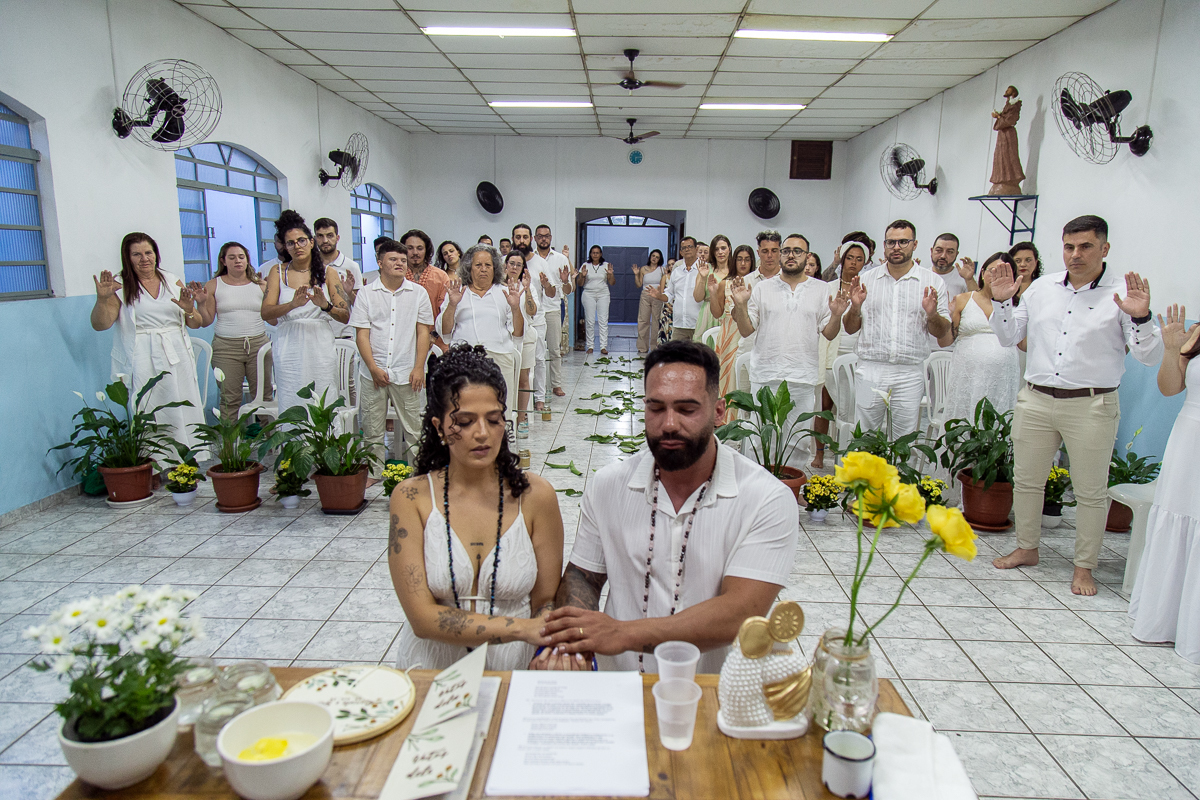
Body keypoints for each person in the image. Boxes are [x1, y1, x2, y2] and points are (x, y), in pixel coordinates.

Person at [531, 341, 799, 673]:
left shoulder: (765, 498)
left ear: (719, 412)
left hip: (717, 693)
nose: (669, 423)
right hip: (622, 687)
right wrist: (574, 641)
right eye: (656, 408)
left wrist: (622, 633)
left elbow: (739, 613)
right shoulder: (608, 484)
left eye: (686, 409)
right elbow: (583, 575)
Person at [990, 214, 1162, 595]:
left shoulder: (1122, 295)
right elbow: (1008, 337)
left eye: (1085, 246)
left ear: (1104, 248)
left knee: (1089, 491)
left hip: (1091, 404)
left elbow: (1148, 357)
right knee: (1028, 481)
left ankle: (1084, 566)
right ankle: (1027, 547)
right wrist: (1003, 302)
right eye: (1069, 246)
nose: (1075, 254)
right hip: (1036, 398)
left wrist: (1143, 317)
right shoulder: (1041, 289)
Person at [388, 344, 564, 671]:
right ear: (440, 428)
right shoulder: (412, 498)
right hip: (433, 669)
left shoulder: (537, 496)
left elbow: (545, 600)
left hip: (514, 668)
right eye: (465, 421)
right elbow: (422, 617)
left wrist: (547, 646)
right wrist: (523, 629)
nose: (482, 434)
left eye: (493, 419)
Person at [731, 234, 848, 466]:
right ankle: (761, 491)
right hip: (766, 375)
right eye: (786, 251)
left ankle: (792, 490)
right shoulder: (762, 288)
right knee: (761, 440)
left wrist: (836, 315)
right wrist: (741, 304)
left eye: (797, 251)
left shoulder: (821, 290)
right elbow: (746, 330)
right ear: (781, 255)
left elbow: (829, 333)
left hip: (802, 377)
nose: (791, 255)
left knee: (797, 441)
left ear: (807, 257)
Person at [91, 232, 206, 453]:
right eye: (137, 254)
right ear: (128, 257)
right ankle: (153, 462)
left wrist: (190, 310)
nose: (144, 258)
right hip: (142, 355)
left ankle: (184, 457)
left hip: (176, 354)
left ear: (156, 254)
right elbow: (101, 324)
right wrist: (102, 299)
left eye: (148, 252)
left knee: (181, 403)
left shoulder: (171, 280)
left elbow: (196, 323)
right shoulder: (121, 285)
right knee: (148, 406)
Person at [1130, 304, 1200, 662]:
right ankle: (1167, 619)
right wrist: (1173, 349)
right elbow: (1170, 387)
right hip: (1189, 438)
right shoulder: (1198, 332)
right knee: (1179, 516)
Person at [844, 220, 951, 438]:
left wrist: (931, 313)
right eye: (891, 242)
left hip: (909, 372)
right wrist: (855, 306)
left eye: (903, 242)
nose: (896, 247)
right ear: (884, 245)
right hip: (871, 369)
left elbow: (941, 332)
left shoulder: (932, 282)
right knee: (864, 437)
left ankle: (900, 474)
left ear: (914, 244)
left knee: (904, 440)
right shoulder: (867, 280)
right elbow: (849, 328)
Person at [351, 240, 433, 479]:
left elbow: (423, 333)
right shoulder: (366, 294)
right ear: (380, 263)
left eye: (403, 260)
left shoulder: (418, 293)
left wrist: (419, 367)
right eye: (393, 259)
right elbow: (361, 335)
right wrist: (373, 368)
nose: (400, 264)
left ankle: (417, 475)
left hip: (407, 371)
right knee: (373, 428)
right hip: (372, 372)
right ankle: (374, 474)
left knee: (414, 429)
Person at [261, 210, 349, 414]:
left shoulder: (329, 273)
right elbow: (265, 313)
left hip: (319, 343)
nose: (297, 246)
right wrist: (292, 304)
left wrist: (324, 305)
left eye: (301, 241)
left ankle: (327, 443)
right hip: (288, 343)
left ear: (311, 242)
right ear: (285, 246)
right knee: (292, 397)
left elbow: (345, 316)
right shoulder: (277, 272)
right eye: (291, 243)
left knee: (323, 396)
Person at [440, 243, 524, 432]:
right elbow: (445, 334)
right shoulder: (457, 292)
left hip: (499, 357)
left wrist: (516, 307)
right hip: (463, 361)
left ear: (495, 268)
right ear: (469, 267)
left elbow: (518, 334)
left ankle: (500, 454)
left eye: (488, 265)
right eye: (478, 265)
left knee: (500, 411)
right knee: (464, 412)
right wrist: (452, 305)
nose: (483, 269)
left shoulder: (504, 292)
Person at [188, 241, 270, 421]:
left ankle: (271, 445)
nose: (237, 261)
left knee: (264, 397)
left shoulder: (260, 285)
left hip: (258, 345)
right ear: (223, 261)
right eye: (232, 257)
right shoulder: (213, 285)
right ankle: (230, 447)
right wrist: (201, 303)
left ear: (247, 260)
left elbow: (272, 317)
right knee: (230, 399)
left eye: (241, 257)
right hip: (226, 348)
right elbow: (206, 320)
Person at [942, 252, 1021, 424]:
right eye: (993, 271)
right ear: (983, 272)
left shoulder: (1017, 305)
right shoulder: (963, 299)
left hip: (1002, 374)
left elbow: (1023, 343)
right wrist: (940, 316)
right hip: (968, 372)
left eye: (1004, 272)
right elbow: (947, 340)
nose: (997, 276)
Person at [812, 239, 870, 469]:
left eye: (859, 259)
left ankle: (850, 454)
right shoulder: (828, 287)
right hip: (830, 349)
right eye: (850, 258)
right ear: (842, 260)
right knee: (824, 407)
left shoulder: (866, 288)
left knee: (852, 409)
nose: (853, 262)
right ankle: (818, 454)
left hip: (856, 351)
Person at [706, 244, 756, 421]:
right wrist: (713, 293)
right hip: (729, 333)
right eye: (740, 259)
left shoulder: (755, 283)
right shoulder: (725, 283)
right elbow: (717, 312)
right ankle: (726, 417)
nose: (743, 263)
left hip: (749, 333)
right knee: (728, 376)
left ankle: (746, 417)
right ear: (734, 261)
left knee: (745, 376)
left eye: (747, 259)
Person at [525, 224, 572, 400]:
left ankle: (556, 384)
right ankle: (536, 387)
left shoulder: (560, 259)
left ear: (550, 238)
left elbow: (568, 290)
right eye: (540, 236)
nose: (543, 239)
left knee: (554, 349)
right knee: (533, 349)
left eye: (546, 236)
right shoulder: (528, 259)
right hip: (531, 311)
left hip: (552, 308)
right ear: (535, 239)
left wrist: (565, 281)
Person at [504, 250, 542, 437]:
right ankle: (505, 419)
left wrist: (526, 289)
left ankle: (521, 418)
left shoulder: (529, 286)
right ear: (505, 265)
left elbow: (532, 311)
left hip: (525, 335)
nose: (514, 267)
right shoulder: (497, 286)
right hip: (504, 336)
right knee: (505, 377)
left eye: (519, 265)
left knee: (523, 377)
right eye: (511, 263)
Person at [401, 229, 450, 355]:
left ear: (426, 250)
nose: (415, 253)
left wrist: (433, 335)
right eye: (410, 248)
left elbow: (445, 312)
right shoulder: (397, 276)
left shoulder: (441, 276)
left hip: (435, 345)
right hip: (402, 345)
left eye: (420, 248)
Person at [313, 218, 361, 339]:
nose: (325, 240)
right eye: (320, 236)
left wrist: (349, 293)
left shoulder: (351, 266)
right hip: (316, 335)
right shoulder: (309, 267)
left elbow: (360, 305)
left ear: (337, 238)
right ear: (314, 239)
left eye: (330, 236)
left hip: (342, 333)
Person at [648, 236, 701, 341]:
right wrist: (658, 295)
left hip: (699, 323)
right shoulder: (677, 272)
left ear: (696, 249)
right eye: (684, 248)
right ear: (681, 252)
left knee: (697, 356)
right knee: (677, 355)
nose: (687, 249)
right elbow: (669, 294)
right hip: (680, 323)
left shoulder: (704, 269)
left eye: (690, 246)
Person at [693, 235, 732, 343]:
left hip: (728, 313)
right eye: (716, 249)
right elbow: (697, 298)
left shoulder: (735, 270)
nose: (720, 252)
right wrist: (703, 277)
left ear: (729, 249)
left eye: (723, 248)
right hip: (708, 313)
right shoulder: (706, 269)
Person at [577, 245, 614, 355]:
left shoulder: (606, 265)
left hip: (603, 294)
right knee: (590, 320)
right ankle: (590, 346)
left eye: (597, 253)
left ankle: (603, 346)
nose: (595, 254)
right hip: (588, 294)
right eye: (593, 252)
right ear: (590, 254)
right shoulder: (585, 265)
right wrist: (583, 276)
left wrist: (610, 274)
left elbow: (612, 283)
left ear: (601, 254)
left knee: (603, 320)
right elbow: (579, 283)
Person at [928, 233, 978, 303]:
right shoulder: (922, 275)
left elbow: (979, 304)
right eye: (939, 250)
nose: (943, 256)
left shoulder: (964, 278)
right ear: (931, 251)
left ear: (956, 254)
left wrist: (969, 280)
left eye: (950, 252)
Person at [634, 249, 666, 355]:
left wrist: (659, 294)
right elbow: (639, 284)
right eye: (653, 256)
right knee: (643, 320)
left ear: (660, 259)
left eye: (657, 257)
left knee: (656, 320)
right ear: (650, 257)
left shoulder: (662, 270)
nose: (654, 258)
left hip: (657, 296)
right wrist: (636, 274)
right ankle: (642, 347)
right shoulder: (643, 269)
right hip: (645, 295)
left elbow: (665, 284)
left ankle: (655, 346)